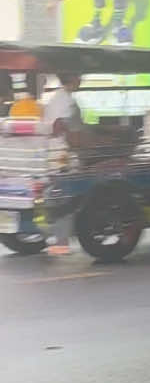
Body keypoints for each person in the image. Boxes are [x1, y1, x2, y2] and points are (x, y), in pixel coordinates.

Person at [42, 72, 85, 256]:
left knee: (57, 197)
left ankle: (59, 240)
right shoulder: (69, 103)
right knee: (66, 199)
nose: (81, 80)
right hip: (64, 157)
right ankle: (61, 242)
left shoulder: (53, 100)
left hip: (51, 155)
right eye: (79, 77)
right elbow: (74, 137)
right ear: (73, 79)